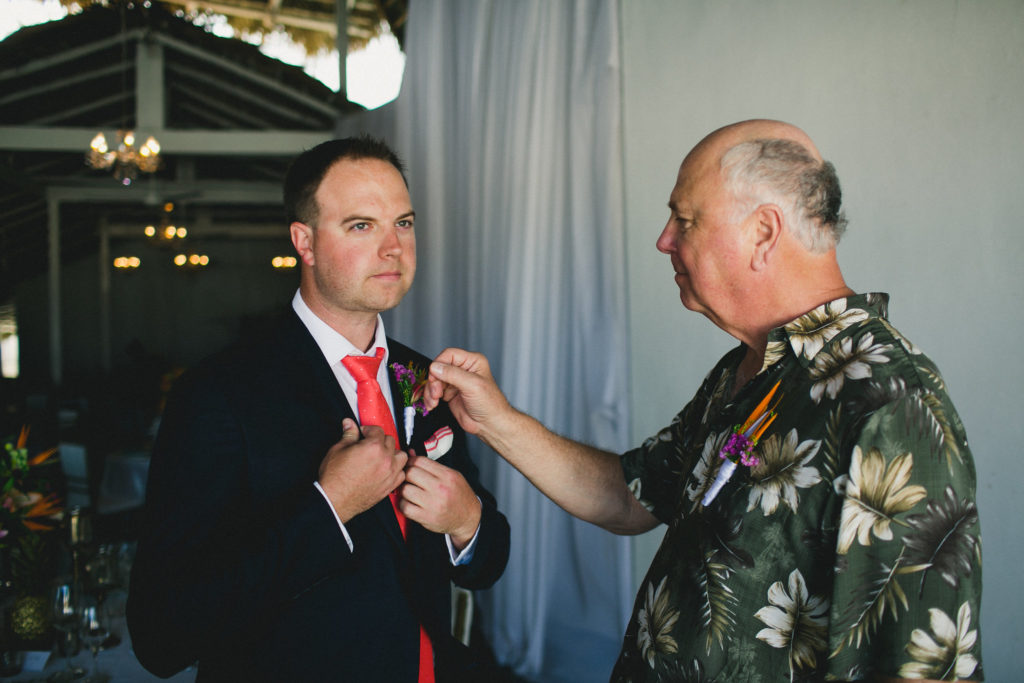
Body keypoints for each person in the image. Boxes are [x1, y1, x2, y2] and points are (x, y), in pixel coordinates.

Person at [423, 120, 982, 682]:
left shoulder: (890, 405)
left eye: (685, 220)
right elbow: (630, 497)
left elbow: (920, 669)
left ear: (763, 233)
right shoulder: (750, 367)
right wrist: (496, 420)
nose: (664, 239)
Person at [127, 136, 510, 682]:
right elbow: (160, 635)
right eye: (361, 225)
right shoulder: (217, 395)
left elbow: (487, 563)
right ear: (303, 242)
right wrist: (328, 506)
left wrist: (468, 522)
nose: (393, 248)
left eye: (403, 222)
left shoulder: (424, 379)